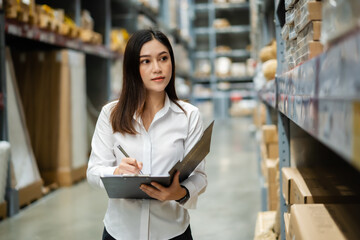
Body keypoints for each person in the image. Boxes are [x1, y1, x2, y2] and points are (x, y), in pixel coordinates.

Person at [87, 29, 207, 240]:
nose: (157, 68)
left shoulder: (189, 116)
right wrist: (117, 172)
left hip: (172, 232)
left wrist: (179, 193)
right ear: (133, 67)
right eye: (146, 61)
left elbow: (199, 176)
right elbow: (93, 171)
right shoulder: (111, 114)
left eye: (163, 58)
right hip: (120, 232)